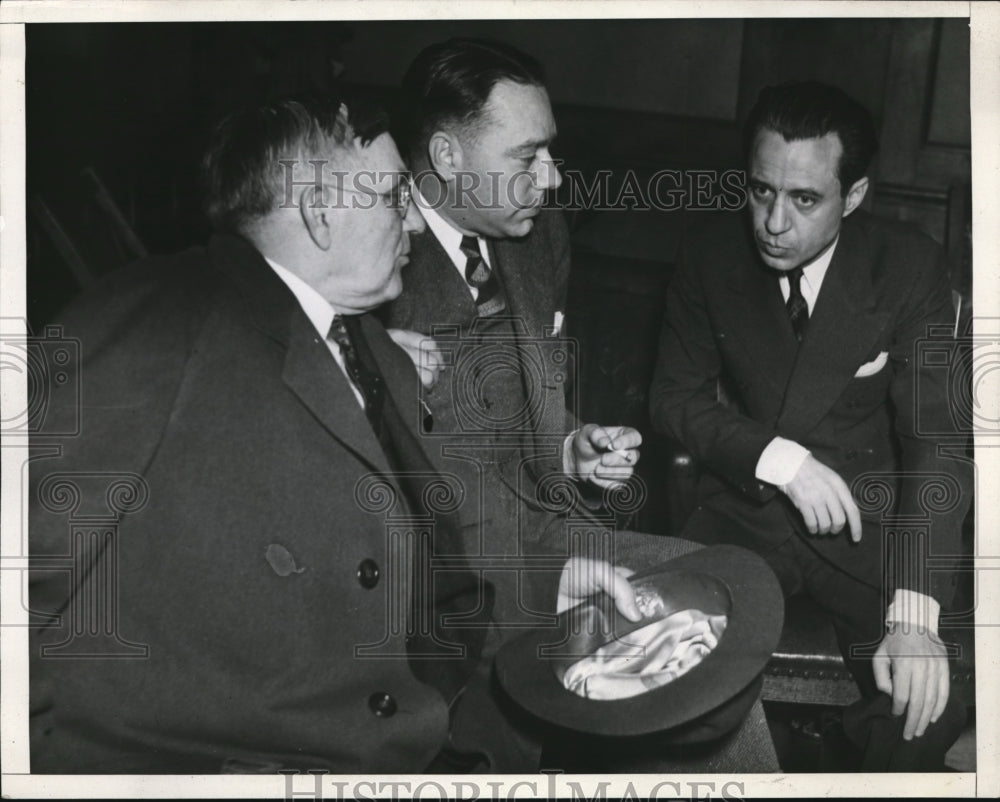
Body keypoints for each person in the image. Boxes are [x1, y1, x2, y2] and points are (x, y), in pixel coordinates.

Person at [27, 94, 648, 774]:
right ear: (321, 213)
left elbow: (407, 579)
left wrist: (547, 587)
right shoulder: (157, 318)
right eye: (391, 197)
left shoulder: (370, 347)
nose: (413, 221)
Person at [649, 80, 970, 771]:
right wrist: (779, 460)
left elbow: (936, 439)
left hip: (873, 533)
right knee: (660, 688)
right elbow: (672, 399)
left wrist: (915, 616)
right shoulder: (710, 254)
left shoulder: (907, 265)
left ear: (852, 197)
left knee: (921, 710)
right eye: (762, 191)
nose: (773, 222)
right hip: (744, 514)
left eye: (804, 200)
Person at [381, 38, 642, 632]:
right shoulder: (371, 263)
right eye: (527, 158)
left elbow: (528, 401)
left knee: (718, 599)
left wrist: (572, 449)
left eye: (550, 151)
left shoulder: (539, 234)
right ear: (447, 155)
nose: (550, 180)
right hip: (453, 576)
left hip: (561, 528)